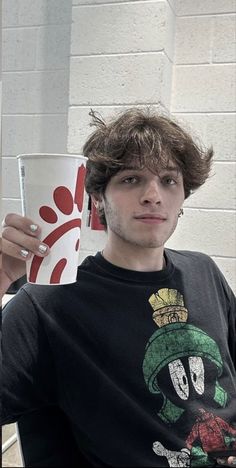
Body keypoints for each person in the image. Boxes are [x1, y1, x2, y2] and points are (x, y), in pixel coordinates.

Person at [1, 108, 236, 467]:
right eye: (131, 179)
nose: (153, 195)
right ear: (97, 200)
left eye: (169, 180)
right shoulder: (47, 304)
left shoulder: (203, 271)